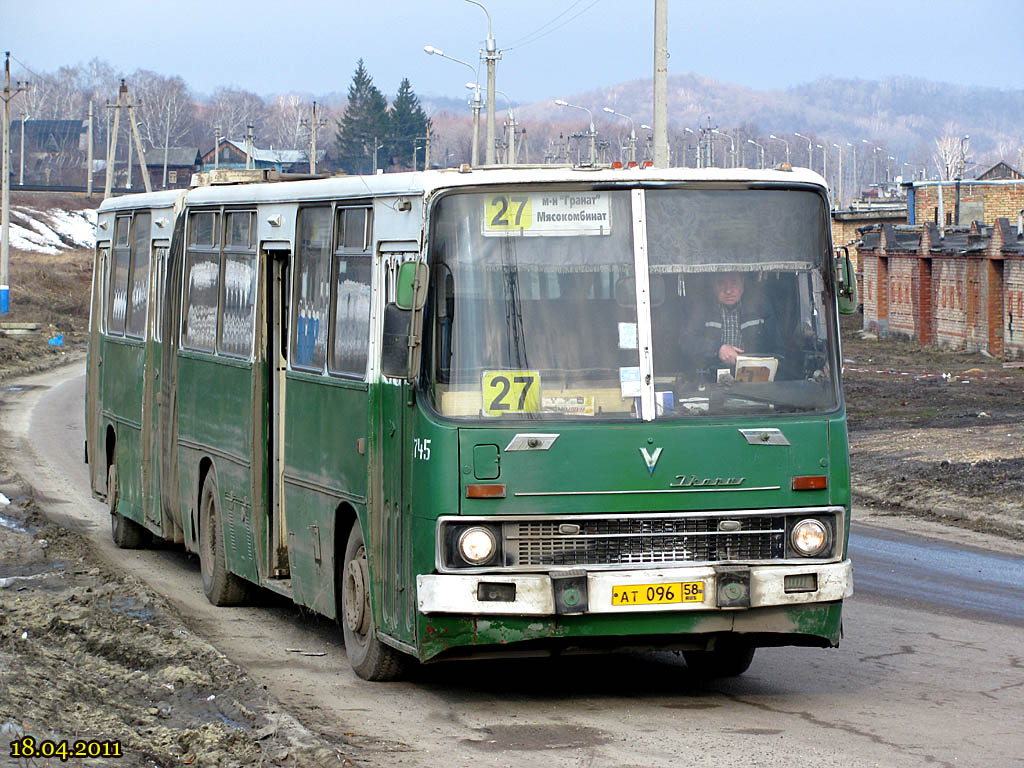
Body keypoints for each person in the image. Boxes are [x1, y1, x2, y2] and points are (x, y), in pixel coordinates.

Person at [685, 271, 783, 373]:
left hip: (754, 375)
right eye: (721, 283)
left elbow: (777, 350)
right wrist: (718, 349)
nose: (728, 291)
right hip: (711, 375)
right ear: (714, 286)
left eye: (734, 283)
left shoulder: (760, 305)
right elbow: (686, 341)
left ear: (742, 283)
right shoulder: (702, 308)